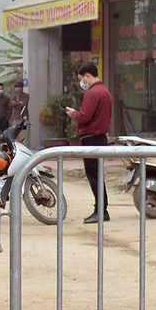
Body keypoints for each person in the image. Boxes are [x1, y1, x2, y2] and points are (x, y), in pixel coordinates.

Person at [65, 62, 113, 224]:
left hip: (91, 138)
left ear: (87, 75)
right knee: (98, 175)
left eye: (82, 79)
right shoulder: (105, 91)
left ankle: (101, 211)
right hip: (100, 138)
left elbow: (85, 116)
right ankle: (100, 209)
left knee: (94, 177)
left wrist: (73, 114)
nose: (82, 83)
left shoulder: (92, 93)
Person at [10, 81, 30, 146]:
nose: (17, 89)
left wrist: (16, 104)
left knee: (25, 133)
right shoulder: (14, 97)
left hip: (24, 117)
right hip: (16, 117)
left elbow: (24, 104)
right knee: (15, 133)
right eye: (16, 87)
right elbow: (11, 105)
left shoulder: (26, 95)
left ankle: (26, 147)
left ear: (22, 88)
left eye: (18, 87)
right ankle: (16, 146)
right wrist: (19, 103)